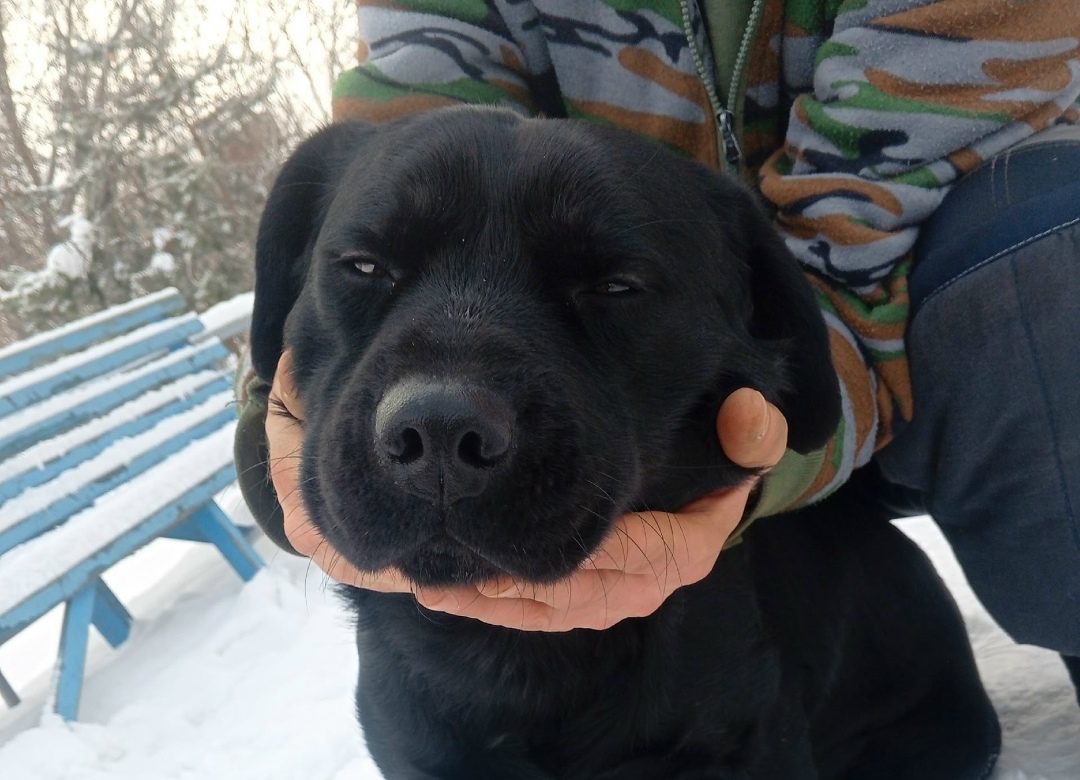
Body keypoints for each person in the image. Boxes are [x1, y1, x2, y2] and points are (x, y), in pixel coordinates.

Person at [239, 0, 1080, 650]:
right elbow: (406, 155)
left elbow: (845, 274)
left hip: (864, 372)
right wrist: (276, 417)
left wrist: (742, 473)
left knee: (1045, 226)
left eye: (607, 285)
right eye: (364, 270)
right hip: (646, 425)